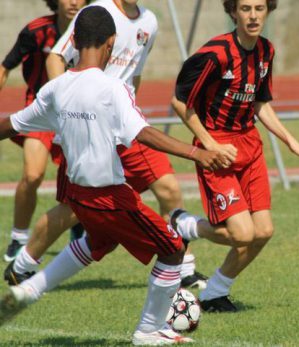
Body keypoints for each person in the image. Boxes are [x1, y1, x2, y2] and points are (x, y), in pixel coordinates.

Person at [0, 6, 226, 344]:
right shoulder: (112, 88)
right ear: (111, 43)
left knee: (98, 242)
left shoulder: (56, 89)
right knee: (173, 249)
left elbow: (11, 124)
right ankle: (148, 331)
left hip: (78, 195)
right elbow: (144, 132)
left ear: (73, 40)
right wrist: (197, 152)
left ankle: (30, 287)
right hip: (109, 197)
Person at [171, 0, 299, 312]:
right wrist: (209, 144)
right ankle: (184, 227)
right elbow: (180, 102)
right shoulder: (215, 53)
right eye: (246, 8)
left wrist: (291, 141)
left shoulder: (266, 51)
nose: (253, 15)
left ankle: (214, 293)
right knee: (242, 234)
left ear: (268, 10)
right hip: (217, 150)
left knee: (263, 231)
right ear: (233, 12)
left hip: (249, 146)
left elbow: (260, 102)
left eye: (259, 8)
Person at [0, 0, 90, 262]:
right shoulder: (37, 31)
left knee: (80, 179)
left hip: (77, 114)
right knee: (33, 174)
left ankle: (77, 224)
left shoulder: (93, 30)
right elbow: (6, 66)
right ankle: (18, 237)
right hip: (41, 112)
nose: (74, 2)